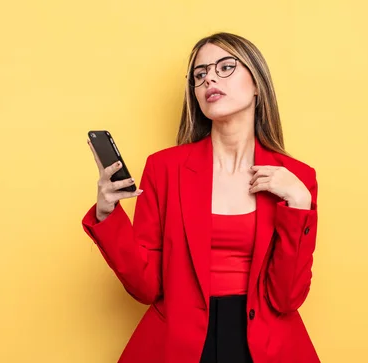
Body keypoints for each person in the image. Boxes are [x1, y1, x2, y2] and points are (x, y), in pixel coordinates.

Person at [82, 32, 321, 363]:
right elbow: (146, 287)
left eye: (225, 67)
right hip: (181, 345)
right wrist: (108, 215)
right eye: (200, 74)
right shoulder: (165, 168)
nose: (209, 77)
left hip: (265, 347)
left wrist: (298, 204)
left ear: (257, 84)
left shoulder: (296, 178)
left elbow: (287, 298)